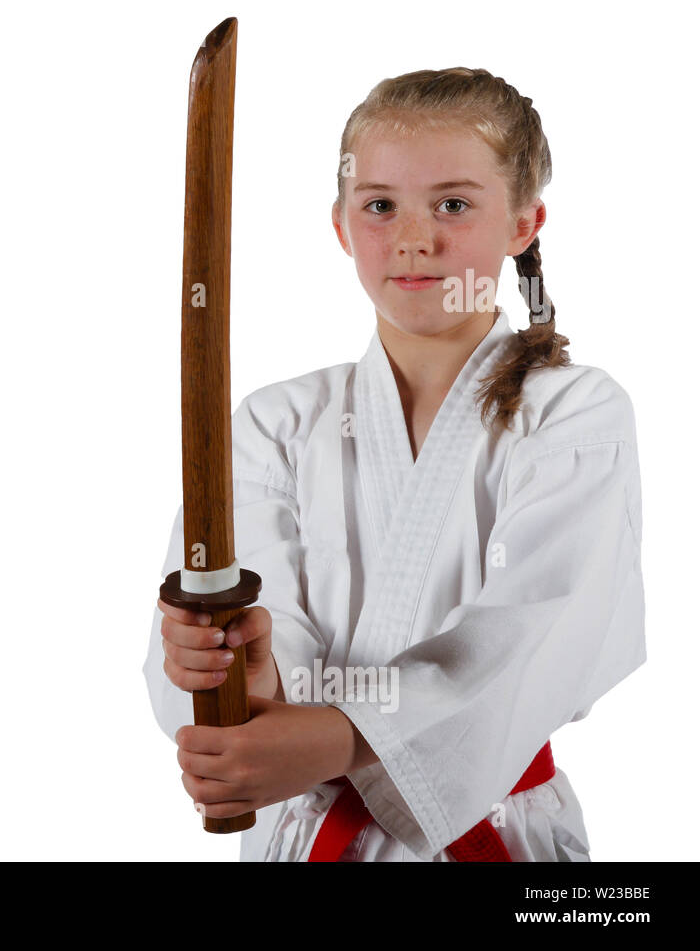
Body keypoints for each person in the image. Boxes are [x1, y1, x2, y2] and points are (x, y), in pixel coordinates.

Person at [142, 68, 645, 861]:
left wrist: (343, 737)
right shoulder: (276, 424)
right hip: (305, 831)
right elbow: (253, 673)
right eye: (380, 205)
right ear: (342, 225)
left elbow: (537, 637)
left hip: (502, 833)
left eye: (453, 203)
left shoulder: (573, 414)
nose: (413, 237)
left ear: (524, 222)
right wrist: (246, 675)